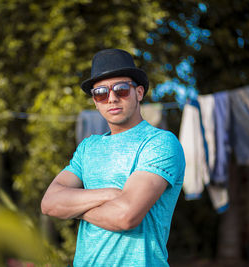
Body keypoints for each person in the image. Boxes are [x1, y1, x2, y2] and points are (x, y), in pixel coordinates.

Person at [41, 48, 185, 266]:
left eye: (121, 89)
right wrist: (111, 194)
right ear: (95, 101)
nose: (112, 98)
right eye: (101, 92)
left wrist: (74, 208)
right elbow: (50, 203)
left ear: (138, 92)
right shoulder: (88, 147)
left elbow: (126, 217)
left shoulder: (160, 143)